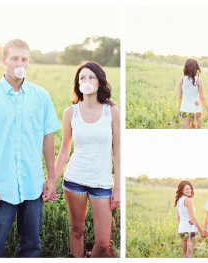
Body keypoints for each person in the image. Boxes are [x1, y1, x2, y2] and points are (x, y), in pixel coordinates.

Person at [0, 39, 61, 257]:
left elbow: (48, 138)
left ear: (29, 61)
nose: (19, 63)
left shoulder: (41, 96)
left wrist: (51, 178)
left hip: (32, 185)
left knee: (32, 246)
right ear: (4, 60)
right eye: (14, 58)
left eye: (24, 59)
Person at [55, 61, 120, 258]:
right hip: (74, 179)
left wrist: (117, 187)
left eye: (91, 77)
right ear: (78, 83)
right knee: (77, 231)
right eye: (82, 77)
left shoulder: (112, 111)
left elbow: (118, 149)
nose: (87, 81)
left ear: (99, 82)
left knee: (102, 242)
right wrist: (53, 180)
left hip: (102, 182)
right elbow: (65, 149)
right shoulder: (70, 112)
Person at [174, 180, 206, 258]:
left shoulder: (178, 201)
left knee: (185, 255)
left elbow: (179, 218)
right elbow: (193, 217)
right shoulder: (188, 200)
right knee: (190, 255)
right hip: (190, 229)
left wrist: (183, 226)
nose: (189, 190)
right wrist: (201, 230)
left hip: (181, 229)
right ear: (181, 190)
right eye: (186, 189)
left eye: (190, 188)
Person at [178, 58, 208, 129]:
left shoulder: (182, 79)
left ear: (186, 68)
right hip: (196, 110)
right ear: (196, 68)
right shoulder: (199, 80)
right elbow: (202, 98)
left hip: (184, 109)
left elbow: (180, 97)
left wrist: (179, 109)